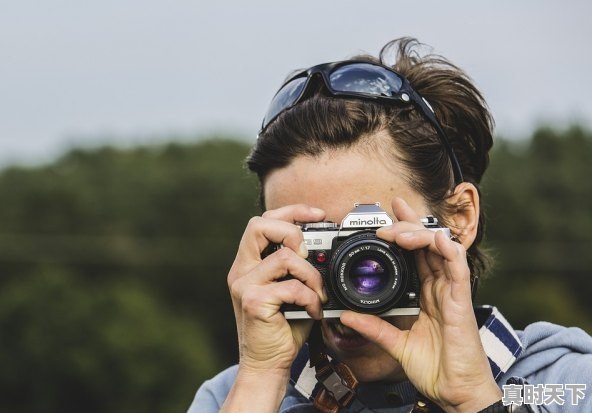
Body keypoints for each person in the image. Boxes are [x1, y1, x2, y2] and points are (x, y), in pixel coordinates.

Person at [188, 38, 592, 413]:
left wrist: (475, 399)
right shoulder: (233, 396)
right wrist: (260, 378)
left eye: (367, 240)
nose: (348, 276)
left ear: (458, 218)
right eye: (315, 243)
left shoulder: (567, 384)